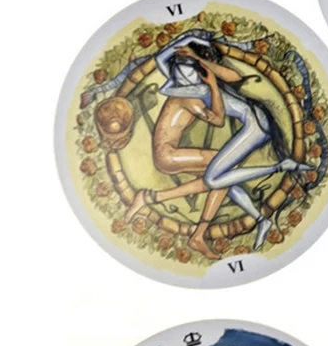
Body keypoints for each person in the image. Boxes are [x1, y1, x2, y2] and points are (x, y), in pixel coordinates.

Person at [124, 35, 310, 257]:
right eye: (179, 71)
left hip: (254, 126)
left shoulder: (198, 88)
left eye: (188, 71)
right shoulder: (187, 91)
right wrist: (190, 39)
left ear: (199, 71)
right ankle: (255, 217)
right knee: (222, 176)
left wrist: (202, 65)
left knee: (219, 178)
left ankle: (264, 200)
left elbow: (225, 99)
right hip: (170, 154)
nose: (183, 76)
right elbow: (161, 60)